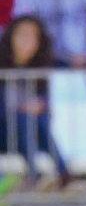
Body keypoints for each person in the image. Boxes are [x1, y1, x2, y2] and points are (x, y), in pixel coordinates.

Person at [0, 15, 68, 187]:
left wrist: (40, 106)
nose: (27, 42)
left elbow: (48, 114)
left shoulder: (40, 72)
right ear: (10, 37)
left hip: (30, 133)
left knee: (35, 118)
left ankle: (56, 175)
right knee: (25, 117)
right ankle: (58, 174)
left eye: (32, 37)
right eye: (22, 35)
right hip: (4, 132)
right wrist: (22, 109)